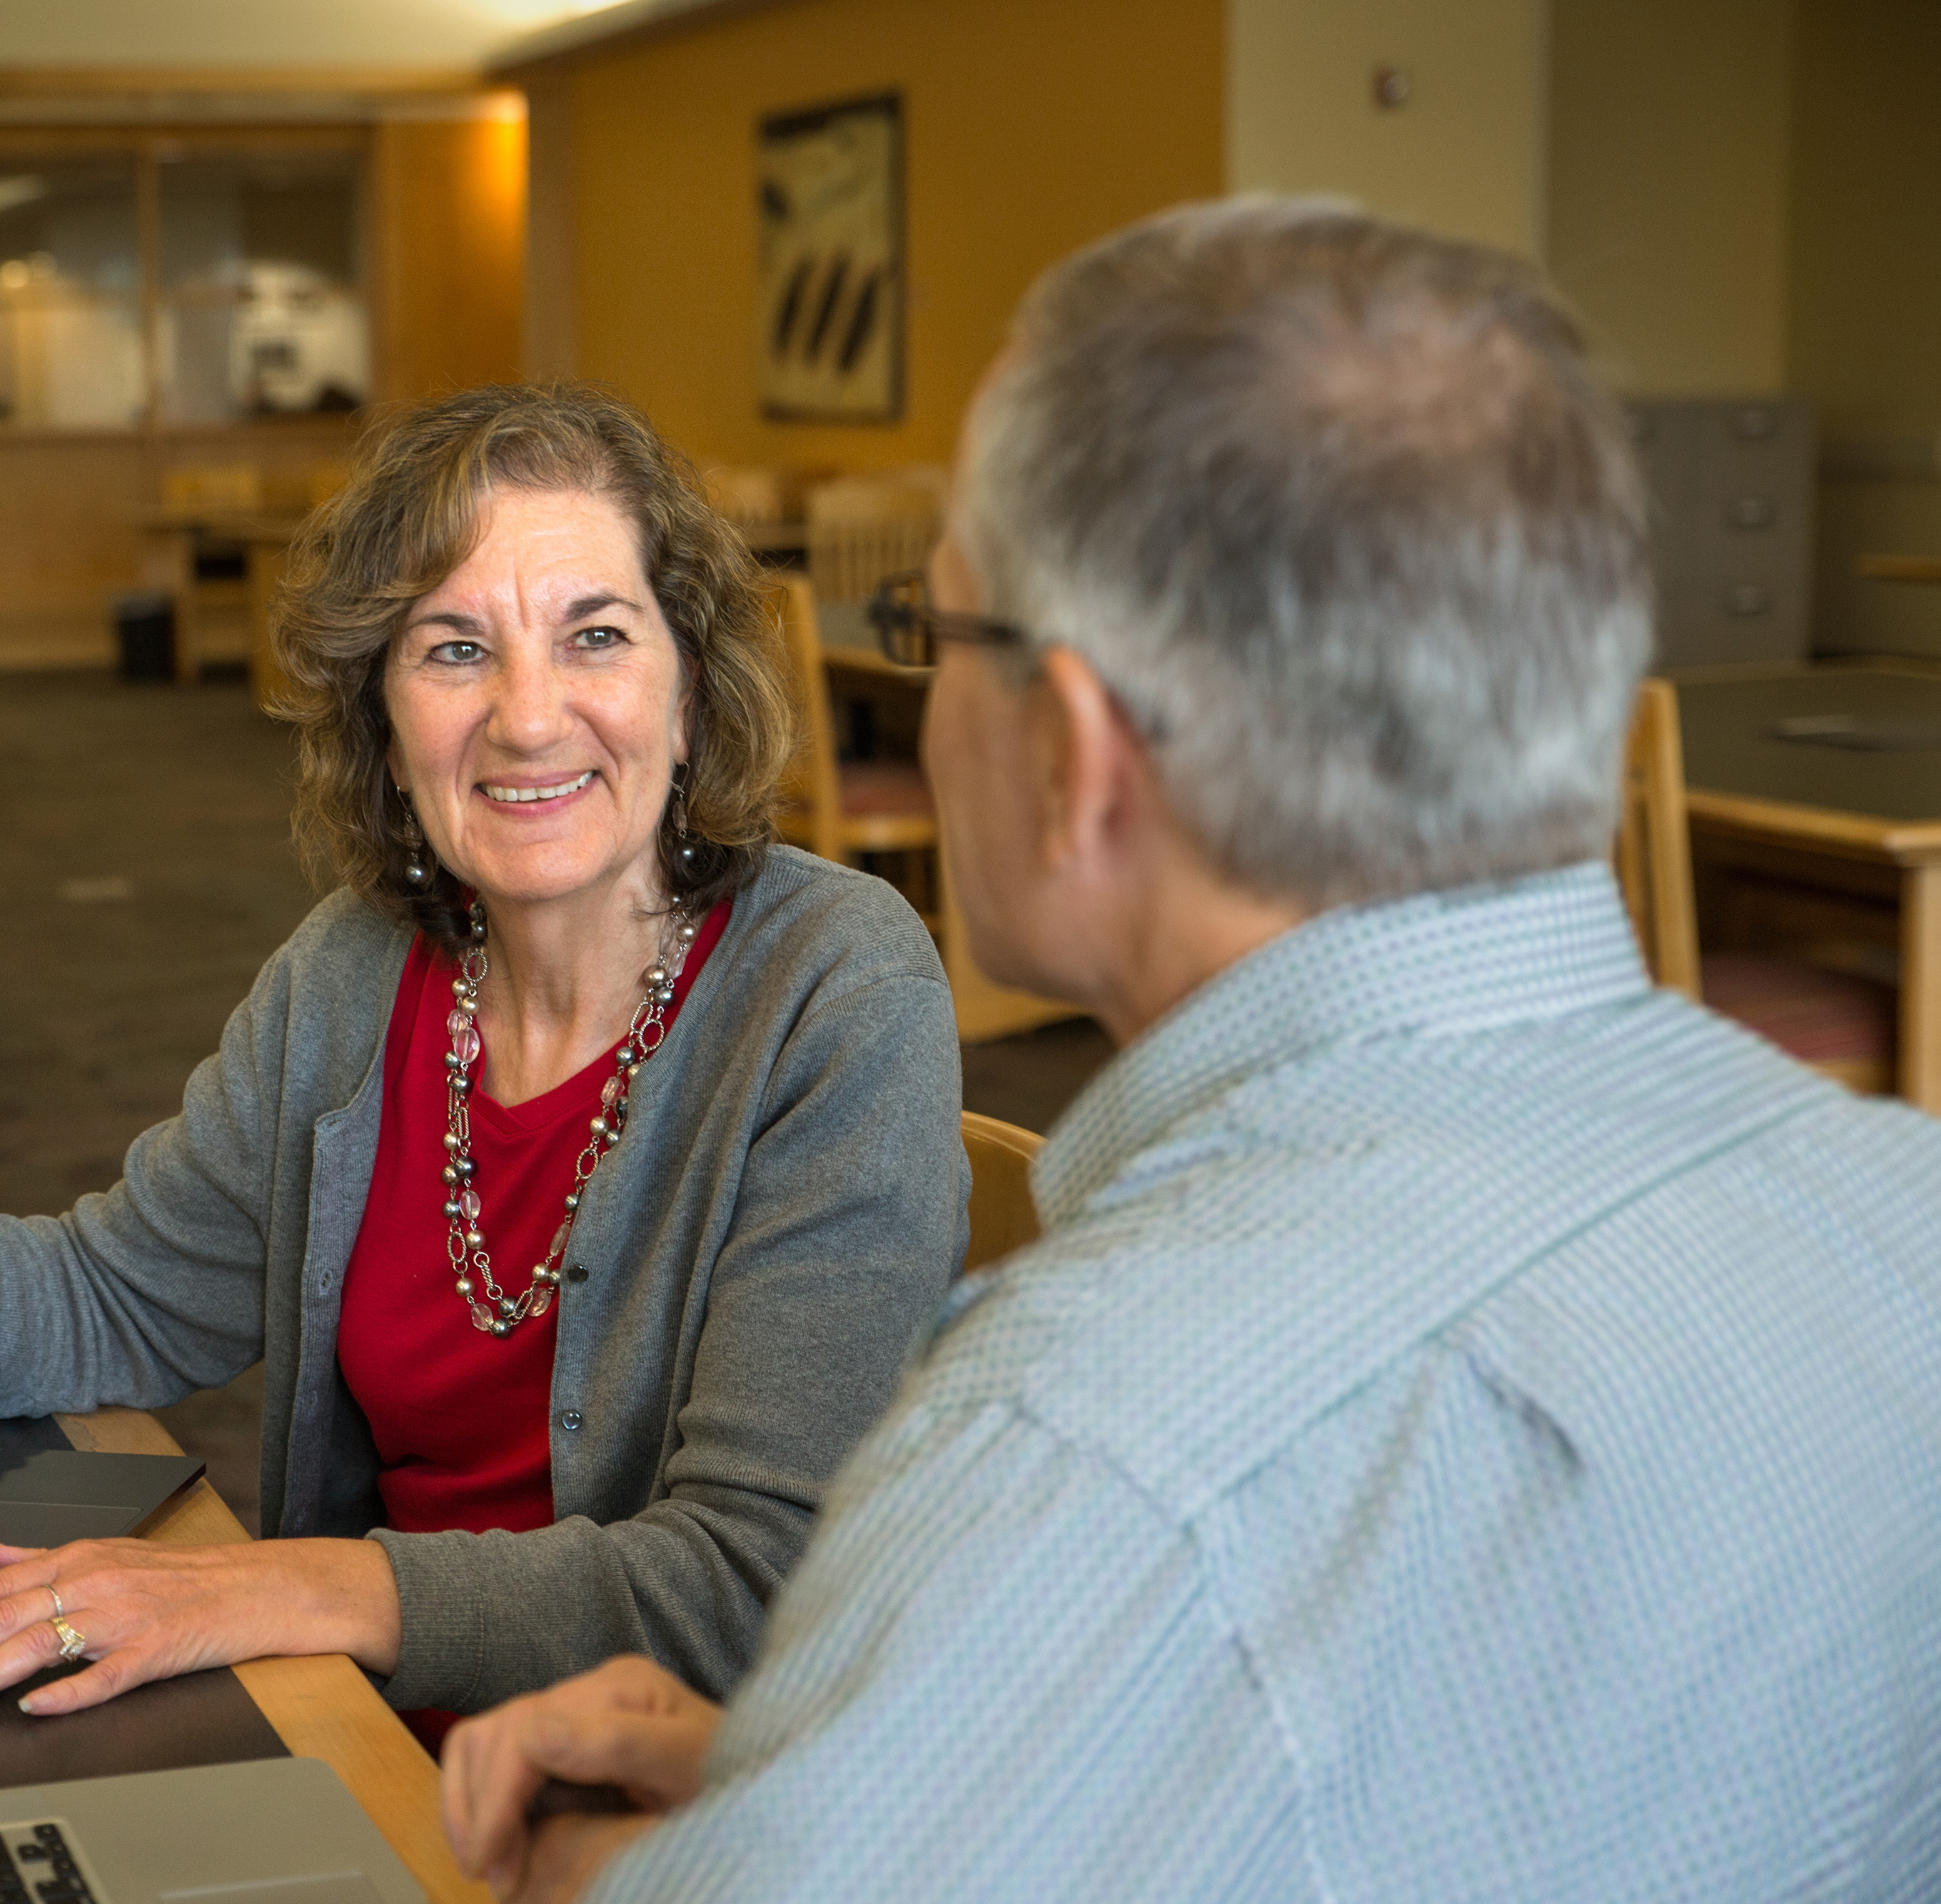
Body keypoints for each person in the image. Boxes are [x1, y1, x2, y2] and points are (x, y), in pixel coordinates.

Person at [440, 199, 1941, 1902]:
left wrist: (582, 1859)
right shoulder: (1906, 1205)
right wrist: (846, 1763)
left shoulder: (1088, 1447)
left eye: (940, 634)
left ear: (1074, 755)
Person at [0, 384, 968, 1733]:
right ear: (382, 713)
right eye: (454, 647)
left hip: (665, 1787)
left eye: (594, 635)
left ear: (692, 684)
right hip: (356, 1715)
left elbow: (752, 1577)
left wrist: (271, 1585)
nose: (527, 715)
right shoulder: (359, 970)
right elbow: (118, 1296)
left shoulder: (829, 983)